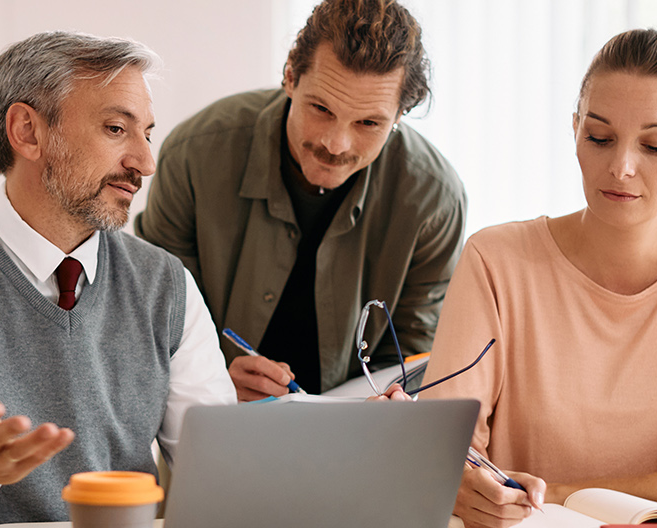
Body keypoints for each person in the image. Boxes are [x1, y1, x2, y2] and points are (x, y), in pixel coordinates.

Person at [0, 31, 236, 527]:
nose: (145, 163)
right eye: (117, 129)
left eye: (147, 134)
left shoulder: (167, 285)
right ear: (27, 131)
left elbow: (226, 483)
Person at [421, 29, 657, 528]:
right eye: (599, 138)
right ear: (575, 133)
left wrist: (561, 497)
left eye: (655, 146)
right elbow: (445, 453)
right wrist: (456, 480)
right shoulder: (495, 260)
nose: (621, 167)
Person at [134, 0, 467, 400]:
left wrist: (386, 403)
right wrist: (214, 379)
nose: (335, 144)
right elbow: (151, 319)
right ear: (290, 76)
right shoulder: (195, 153)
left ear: (401, 113)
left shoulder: (434, 199)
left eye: (368, 123)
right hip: (211, 422)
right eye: (321, 108)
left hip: (357, 441)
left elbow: (415, 356)